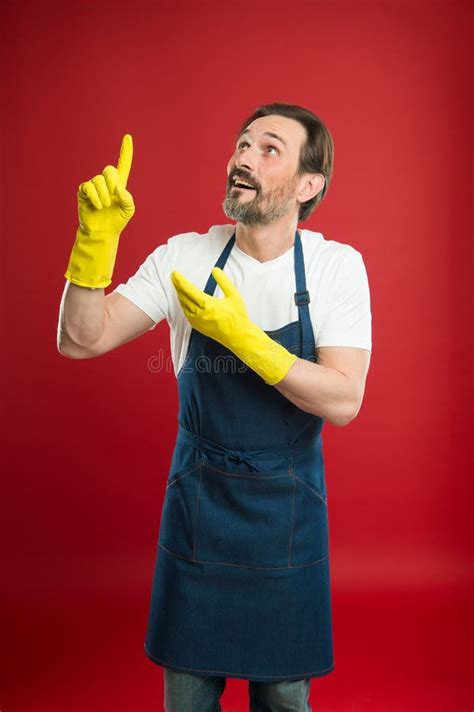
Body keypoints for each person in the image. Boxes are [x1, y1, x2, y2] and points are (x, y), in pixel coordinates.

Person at [57, 102, 372, 712]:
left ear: (310, 185)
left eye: (269, 149)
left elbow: (344, 399)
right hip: (200, 511)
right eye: (242, 145)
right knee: (188, 697)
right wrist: (93, 246)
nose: (244, 159)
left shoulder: (337, 268)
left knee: (283, 699)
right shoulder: (185, 257)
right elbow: (80, 339)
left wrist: (243, 338)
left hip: (287, 516)